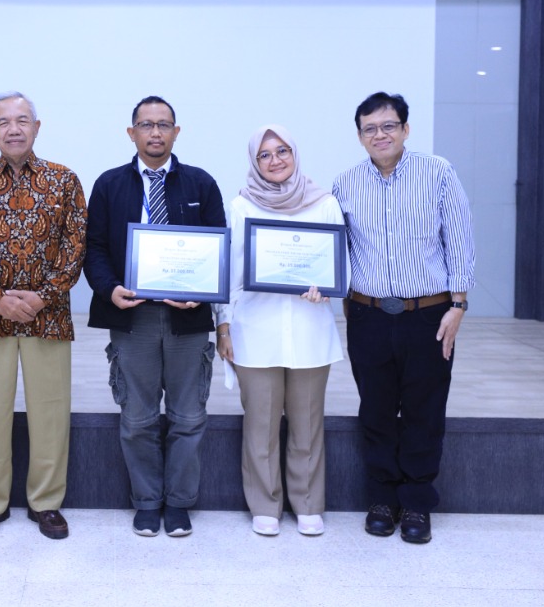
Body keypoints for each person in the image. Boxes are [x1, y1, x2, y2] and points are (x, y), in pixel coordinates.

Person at [332, 92, 474, 544]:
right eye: (370, 129)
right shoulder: (345, 184)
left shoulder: (438, 173)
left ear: (405, 130)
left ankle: (415, 503)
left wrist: (459, 305)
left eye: (388, 126)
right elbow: (335, 250)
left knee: (423, 409)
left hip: (428, 314)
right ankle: (381, 499)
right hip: (368, 315)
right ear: (359, 136)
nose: (380, 135)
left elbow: (460, 239)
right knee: (375, 410)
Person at [83, 95, 225, 538]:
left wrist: (200, 296)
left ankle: (179, 503)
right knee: (138, 418)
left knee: (188, 417)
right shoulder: (109, 184)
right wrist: (110, 289)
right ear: (132, 133)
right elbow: (95, 249)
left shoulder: (201, 184)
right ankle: (147, 501)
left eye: (164, 124)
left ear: (176, 132)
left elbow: (217, 248)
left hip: (187, 319)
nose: (156, 132)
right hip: (133, 317)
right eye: (147, 125)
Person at [0, 91, 87, 540]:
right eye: (4, 122)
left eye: (22, 120)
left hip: (48, 316)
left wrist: (43, 296)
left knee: (50, 411)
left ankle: (46, 503)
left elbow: (75, 246)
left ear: (36, 127)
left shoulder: (64, 180)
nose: (14, 128)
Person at [215, 125, 344, 537]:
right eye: (265, 155)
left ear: (294, 153)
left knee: (307, 422)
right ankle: (264, 504)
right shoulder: (241, 205)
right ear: (255, 162)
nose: (275, 160)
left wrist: (326, 288)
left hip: (309, 328)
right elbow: (229, 273)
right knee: (261, 424)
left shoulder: (323, 203)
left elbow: (339, 264)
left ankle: (308, 503)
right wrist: (223, 324)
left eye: (282, 151)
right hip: (256, 329)